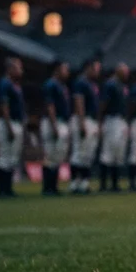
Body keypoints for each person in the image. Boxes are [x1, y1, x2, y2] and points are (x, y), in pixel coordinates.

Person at [0, 57, 26, 198]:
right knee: (4, 156)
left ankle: (8, 188)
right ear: (10, 68)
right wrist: (8, 126)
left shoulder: (15, 85)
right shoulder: (5, 83)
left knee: (12, 157)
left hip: (16, 123)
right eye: (18, 67)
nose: (21, 71)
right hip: (8, 123)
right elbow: (3, 106)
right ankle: (2, 189)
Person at [69, 59, 102, 195]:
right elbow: (79, 102)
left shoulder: (92, 84)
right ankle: (74, 183)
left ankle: (84, 183)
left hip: (92, 120)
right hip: (83, 119)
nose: (97, 72)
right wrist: (81, 122)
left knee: (88, 154)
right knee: (79, 152)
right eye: (95, 69)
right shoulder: (81, 82)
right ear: (88, 68)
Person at [40, 61, 71, 196]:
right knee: (50, 155)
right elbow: (50, 105)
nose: (67, 72)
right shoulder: (51, 84)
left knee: (58, 155)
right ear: (57, 69)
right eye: (65, 69)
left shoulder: (62, 86)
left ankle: (54, 186)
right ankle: (47, 187)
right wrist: (53, 126)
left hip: (61, 121)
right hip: (52, 122)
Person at [98, 63, 129, 192]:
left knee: (118, 153)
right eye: (125, 71)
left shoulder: (122, 86)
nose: (127, 74)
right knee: (108, 152)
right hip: (111, 120)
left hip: (121, 121)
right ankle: (104, 184)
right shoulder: (110, 84)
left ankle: (115, 184)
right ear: (118, 71)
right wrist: (100, 121)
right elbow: (103, 103)